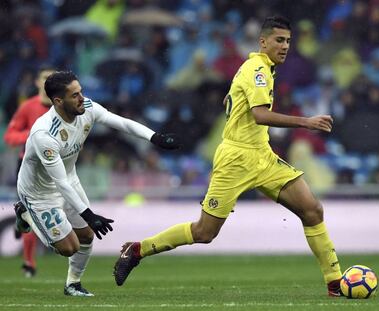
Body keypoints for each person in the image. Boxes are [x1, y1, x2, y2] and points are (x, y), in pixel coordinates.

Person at [113, 15, 343, 296]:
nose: (285, 46)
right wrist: (306, 122)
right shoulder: (257, 69)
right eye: (279, 40)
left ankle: (335, 283)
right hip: (235, 160)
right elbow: (260, 115)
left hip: (262, 155)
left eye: (288, 41)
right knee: (204, 233)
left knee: (312, 210)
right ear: (263, 41)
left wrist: (232, 98)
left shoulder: (259, 68)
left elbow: (238, 97)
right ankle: (137, 250)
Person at [14, 71, 181, 296]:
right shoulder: (44, 134)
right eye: (75, 95)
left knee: (86, 236)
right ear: (58, 101)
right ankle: (25, 213)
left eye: (81, 92)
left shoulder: (87, 108)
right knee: (68, 247)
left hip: (69, 179)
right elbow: (59, 182)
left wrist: (155, 138)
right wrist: (89, 215)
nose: (82, 98)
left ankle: (73, 284)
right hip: (39, 193)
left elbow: (121, 123)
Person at [4, 65, 55, 278]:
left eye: (51, 79)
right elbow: (10, 136)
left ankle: (22, 221)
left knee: (45, 214)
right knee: (31, 213)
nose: (47, 83)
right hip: (27, 166)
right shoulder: (28, 107)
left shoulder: (62, 108)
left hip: (54, 167)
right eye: (44, 78)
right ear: (37, 82)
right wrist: (30, 135)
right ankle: (29, 262)